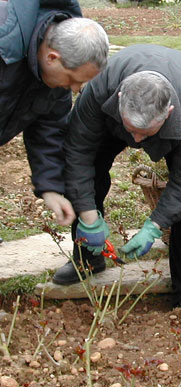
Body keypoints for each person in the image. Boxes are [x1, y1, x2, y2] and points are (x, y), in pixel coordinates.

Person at [51, 43, 181, 315]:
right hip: (111, 118)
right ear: (119, 98)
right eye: (132, 131)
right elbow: (77, 154)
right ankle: (87, 259)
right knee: (88, 169)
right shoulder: (99, 90)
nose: (137, 141)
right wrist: (87, 214)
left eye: (146, 133)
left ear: (167, 114)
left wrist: (155, 225)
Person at [0, 0, 109, 240]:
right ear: (52, 57)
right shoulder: (4, 40)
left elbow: (47, 130)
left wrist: (50, 187)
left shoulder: (52, 78)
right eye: (73, 79)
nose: (76, 88)